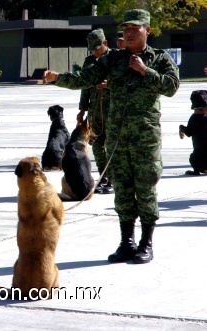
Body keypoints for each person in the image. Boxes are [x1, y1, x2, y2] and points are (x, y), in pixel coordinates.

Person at [43, 9, 180, 264]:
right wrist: (57, 78)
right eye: (126, 29)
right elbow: (85, 77)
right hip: (117, 139)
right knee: (123, 192)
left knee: (146, 191)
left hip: (144, 139)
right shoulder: (113, 60)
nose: (128, 33)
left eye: (134, 29)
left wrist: (144, 70)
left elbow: (172, 87)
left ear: (147, 30)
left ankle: (146, 243)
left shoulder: (158, 59)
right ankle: (126, 242)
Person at [77, 29, 113, 194]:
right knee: (97, 144)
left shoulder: (116, 59)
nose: (94, 51)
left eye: (97, 47)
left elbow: (128, 83)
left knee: (112, 144)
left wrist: (109, 84)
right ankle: (102, 176)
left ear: (105, 43)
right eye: (91, 49)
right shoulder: (89, 61)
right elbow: (85, 85)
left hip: (113, 109)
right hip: (95, 110)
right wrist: (82, 109)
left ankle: (113, 178)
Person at [179, 90, 207, 176]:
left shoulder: (194, 119)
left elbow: (188, 133)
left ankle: (196, 171)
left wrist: (181, 128)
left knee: (195, 155)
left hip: (198, 160)